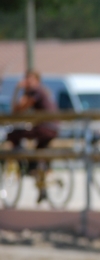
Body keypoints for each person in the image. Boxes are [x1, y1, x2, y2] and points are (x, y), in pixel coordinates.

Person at [7, 70, 59, 203]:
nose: (28, 82)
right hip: (50, 128)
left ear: (37, 80)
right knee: (37, 156)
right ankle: (42, 189)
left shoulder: (36, 91)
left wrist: (18, 89)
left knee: (12, 135)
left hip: (46, 128)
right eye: (26, 79)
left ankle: (22, 162)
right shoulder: (40, 91)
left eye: (30, 79)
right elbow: (16, 109)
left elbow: (19, 109)